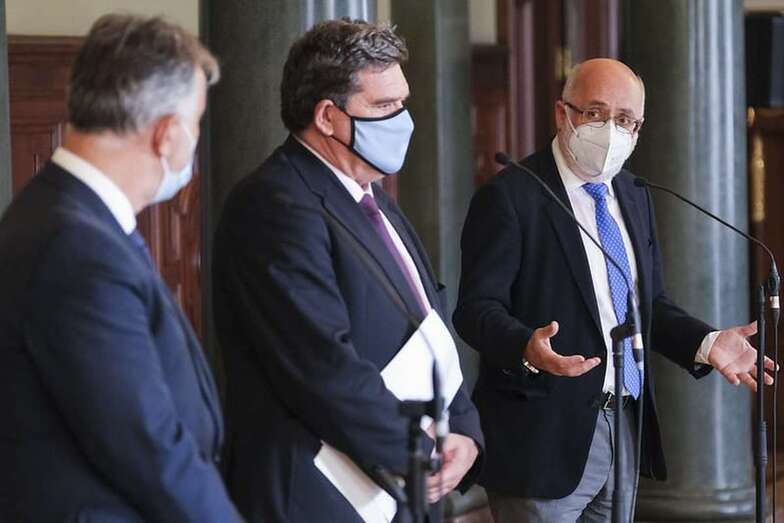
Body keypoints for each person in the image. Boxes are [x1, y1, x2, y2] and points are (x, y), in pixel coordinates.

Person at [453, 58, 775, 522]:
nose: (611, 129)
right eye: (596, 113)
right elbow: (475, 309)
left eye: (625, 120)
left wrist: (707, 343)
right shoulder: (511, 196)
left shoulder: (633, 192)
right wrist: (525, 346)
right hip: (542, 434)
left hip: (622, 423)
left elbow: (650, 306)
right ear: (563, 114)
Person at [213, 18, 484, 523]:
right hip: (320, 492)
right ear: (327, 116)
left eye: (402, 102)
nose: (402, 119)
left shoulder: (368, 192)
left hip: (396, 481)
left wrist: (463, 432)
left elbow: (428, 314)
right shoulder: (275, 203)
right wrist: (422, 451)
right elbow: (321, 363)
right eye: (384, 107)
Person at [0, 14, 242, 522]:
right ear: (166, 134)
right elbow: (147, 447)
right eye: (196, 122)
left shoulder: (67, 217)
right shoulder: (75, 246)